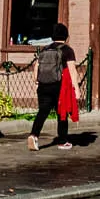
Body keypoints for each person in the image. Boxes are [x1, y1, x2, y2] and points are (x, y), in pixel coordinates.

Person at [27, 22, 79, 151]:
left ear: (52, 36)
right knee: (62, 113)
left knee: (43, 111)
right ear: (67, 36)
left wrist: (36, 81)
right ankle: (62, 141)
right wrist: (76, 88)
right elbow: (72, 71)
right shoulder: (67, 50)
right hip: (59, 86)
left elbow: (37, 66)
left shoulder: (46, 49)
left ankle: (34, 135)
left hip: (43, 85)